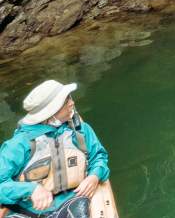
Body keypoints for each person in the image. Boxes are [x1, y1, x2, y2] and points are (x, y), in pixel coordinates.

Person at [0, 80, 110, 218]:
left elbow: (99, 156)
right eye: (65, 102)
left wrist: (95, 175)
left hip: (72, 201)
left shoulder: (80, 131)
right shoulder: (18, 145)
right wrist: (31, 189)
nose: (72, 103)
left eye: (70, 97)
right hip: (28, 211)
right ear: (50, 112)